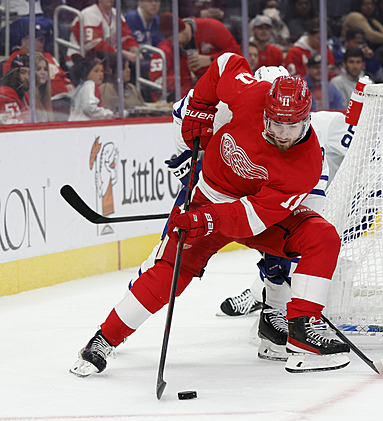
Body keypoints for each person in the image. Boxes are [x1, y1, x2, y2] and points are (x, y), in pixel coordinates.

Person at [69, 53, 350, 377]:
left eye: (292, 126)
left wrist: (208, 219)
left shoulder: (307, 164)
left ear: (306, 120)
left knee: (321, 237)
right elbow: (225, 63)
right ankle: (103, 340)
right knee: (169, 269)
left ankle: (302, 334)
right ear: (265, 112)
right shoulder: (250, 94)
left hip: (253, 218)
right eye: (275, 124)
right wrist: (201, 106)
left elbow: (250, 218)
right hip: (206, 195)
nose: (283, 134)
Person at [2, 24, 74, 98]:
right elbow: (12, 83)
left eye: (43, 39)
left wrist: (68, 83)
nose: (42, 42)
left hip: (65, 95)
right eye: (39, 40)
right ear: (24, 41)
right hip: (41, 100)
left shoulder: (48, 56)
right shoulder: (16, 58)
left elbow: (62, 75)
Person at [66, 0, 139, 66]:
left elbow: (126, 37)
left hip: (106, 58)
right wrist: (124, 53)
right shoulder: (89, 14)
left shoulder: (116, 14)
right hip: (80, 59)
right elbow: (96, 46)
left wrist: (134, 50)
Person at [149, 13, 194, 102]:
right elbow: (157, 82)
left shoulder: (178, 50)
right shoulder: (163, 51)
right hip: (172, 102)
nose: (186, 37)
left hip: (185, 98)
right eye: (183, 32)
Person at [68, 54, 115, 121]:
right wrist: (108, 114)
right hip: (85, 125)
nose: (101, 74)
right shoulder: (89, 85)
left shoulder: (81, 86)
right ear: (85, 73)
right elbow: (89, 108)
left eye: (102, 71)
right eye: (96, 71)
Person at [0, 54, 30, 125]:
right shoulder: (4, 93)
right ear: (14, 73)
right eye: (23, 72)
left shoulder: (25, 95)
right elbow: (14, 126)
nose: (27, 77)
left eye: (30, 73)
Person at [34, 53, 53, 122]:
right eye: (38, 69)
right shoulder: (28, 99)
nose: (43, 72)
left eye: (45, 69)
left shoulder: (44, 97)